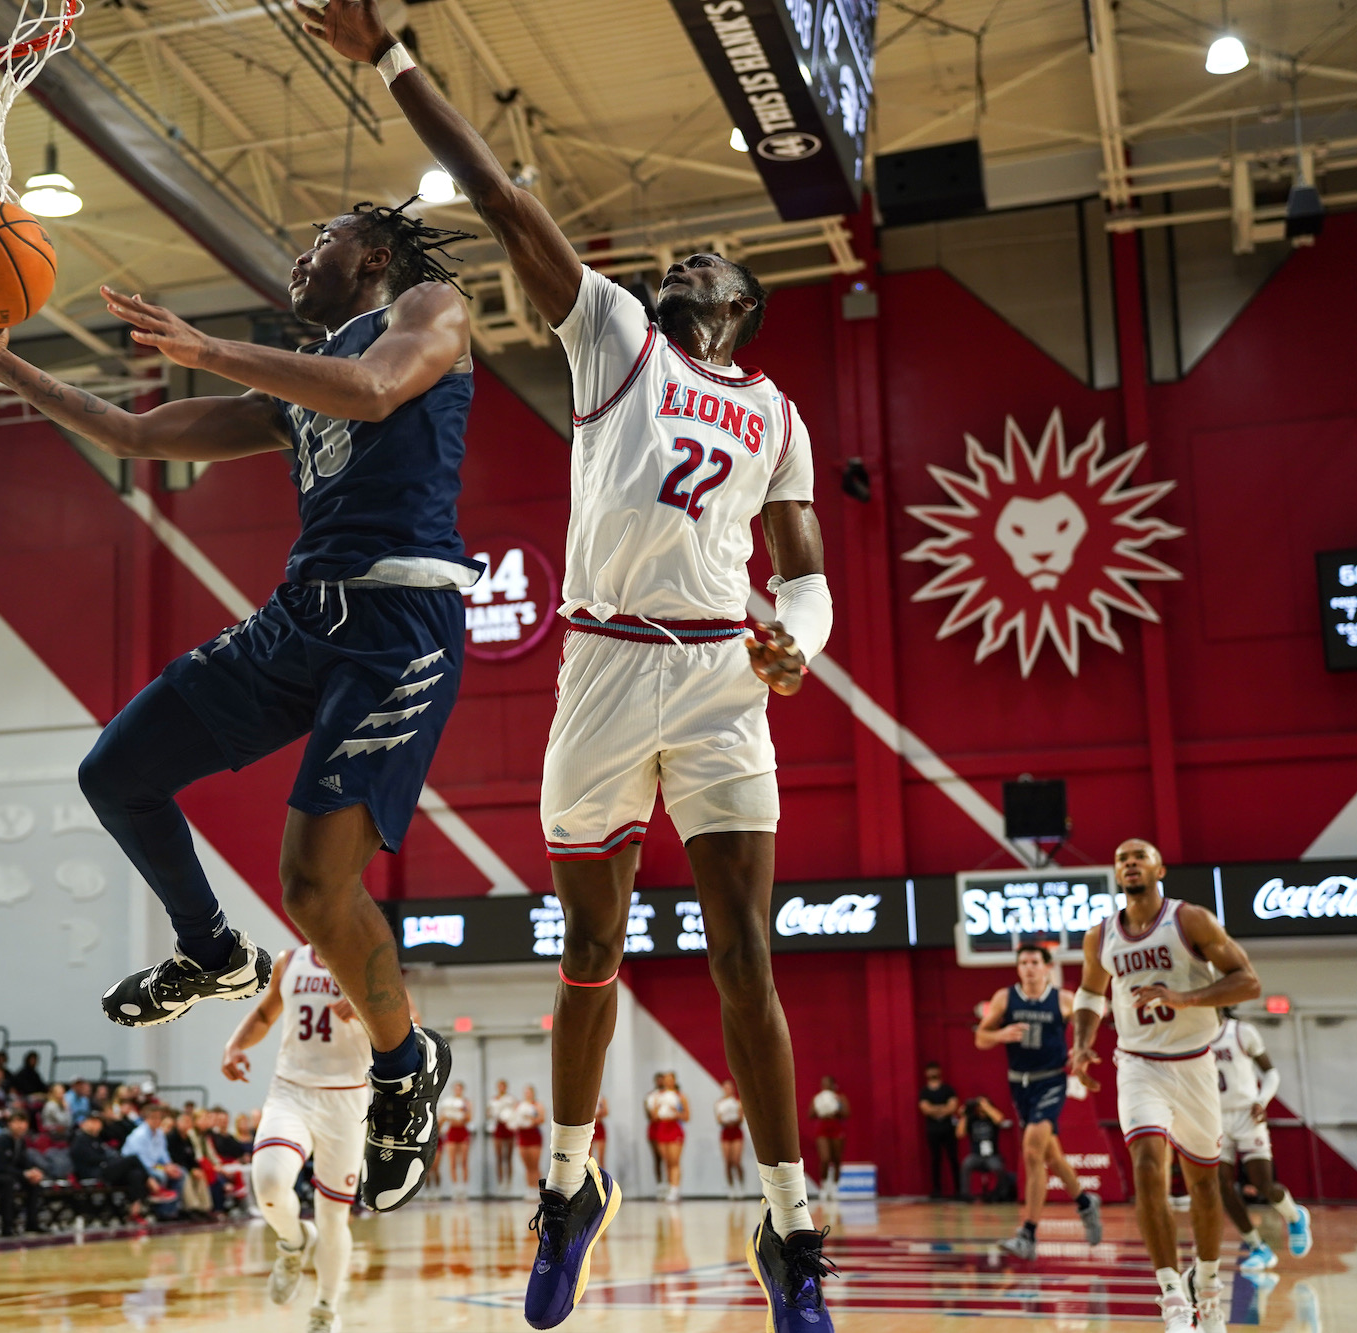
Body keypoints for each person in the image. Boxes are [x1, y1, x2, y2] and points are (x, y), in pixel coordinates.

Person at [304, 6, 836, 1325]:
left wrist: (800, 640)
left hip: (719, 675)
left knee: (743, 960)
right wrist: (391, 58)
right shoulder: (614, 334)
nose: (691, 255)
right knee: (590, 948)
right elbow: (496, 192)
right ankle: (573, 1187)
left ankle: (790, 1227)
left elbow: (810, 570)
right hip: (602, 669)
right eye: (685, 249)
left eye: (714, 255)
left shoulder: (777, 412)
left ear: (743, 303)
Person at [0, 168, 483, 1223]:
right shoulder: (300, 378)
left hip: (393, 623)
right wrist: (4, 365)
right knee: (117, 772)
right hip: (297, 619)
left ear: (371, 255)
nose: (298, 255)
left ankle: (404, 1063)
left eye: (319, 237)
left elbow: (374, 393)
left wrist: (210, 346)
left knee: (316, 892)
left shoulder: (426, 311)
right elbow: (135, 434)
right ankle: (210, 950)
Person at [1071, 839, 1259, 1333]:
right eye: (1120, 858)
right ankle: (1172, 1294)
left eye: (1139, 855)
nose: (1129, 863)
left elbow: (1248, 981)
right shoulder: (1101, 935)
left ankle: (1210, 1288)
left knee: (1203, 1183)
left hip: (1194, 1064)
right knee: (1148, 1166)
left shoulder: (1190, 920)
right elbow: (1091, 992)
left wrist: (1186, 997)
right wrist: (1083, 1041)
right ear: (1115, 873)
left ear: (1160, 868)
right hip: (1137, 1064)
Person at [223, 944, 374, 1333]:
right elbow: (263, 1013)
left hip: (346, 1099)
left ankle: (325, 1309)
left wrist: (366, 1010)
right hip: (290, 1091)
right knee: (269, 1183)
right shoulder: (289, 961)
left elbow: (409, 1022)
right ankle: (292, 1242)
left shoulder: (370, 958)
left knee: (333, 1215)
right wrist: (235, 1044)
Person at [976, 944, 1102, 1257]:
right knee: (1052, 1157)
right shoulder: (1005, 998)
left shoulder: (1063, 999)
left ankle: (1028, 1235)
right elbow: (981, 1038)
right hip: (1020, 1084)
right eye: (1023, 962)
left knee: (1032, 1151)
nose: (1028, 967)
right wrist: (1001, 1035)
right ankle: (1086, 1203)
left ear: (1047, 967)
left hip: (1051, 1081)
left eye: (1034, 962)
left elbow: (1091, 1017)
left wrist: (1082, 1048)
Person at [1211, 1007, 1311, 1268]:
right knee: (1221, 1186)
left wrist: (1262, 1100)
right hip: (1215, 1117)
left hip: (1247, 1113)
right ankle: (1258, 1247)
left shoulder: (1241, 1032)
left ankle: (1294, 1216)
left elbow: (1271, 1073)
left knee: (1263, 1183)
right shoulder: (1193, 1037)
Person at [0, 1107, 45, 1236]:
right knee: (8, 1182)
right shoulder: (1, 1140)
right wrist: (23, 1174)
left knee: (33, 1183)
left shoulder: (20, 1141)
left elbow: (23, 1163)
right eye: (16, 1122)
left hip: (10, 1174)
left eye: (23, 1122)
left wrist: (32, 1171)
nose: (20, 1126)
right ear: (9, 1123)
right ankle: (7, 1226)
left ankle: (32, 1224)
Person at [958, 1096, 1016, 1202]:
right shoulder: (972, 1119)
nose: (980, 1108)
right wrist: (964, 1115)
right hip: (976, 1155)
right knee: (966, 1164)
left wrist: (986, 1106)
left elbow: (999, 1119)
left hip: (992, 1155)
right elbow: (959, 1134)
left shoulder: (991, 1119)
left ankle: (1003, 1193)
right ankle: (965, 1195)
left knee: (998, 1167)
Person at [918, 1064, 962, 1199]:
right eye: (929, 1070)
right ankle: (936, 1189)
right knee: (935, 1159)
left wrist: (935, 1109)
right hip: (933, 1130)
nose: (932, 1072)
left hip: (948, 1129)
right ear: (926, 1073)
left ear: (939, 1071)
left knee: (953, 1158)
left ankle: (959, 1189)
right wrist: (943, 1109)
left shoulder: (948, 1089)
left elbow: (953, 1107)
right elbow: (925, 1109)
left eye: (934, 1069)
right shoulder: (924, 1092)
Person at [645, 1072, 688, 1203]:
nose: (668, 1082)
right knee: (666, 1161)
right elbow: (653, 1116)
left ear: (674, 1081)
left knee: (674, 1161)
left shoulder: (680, 1096)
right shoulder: (657, 1097)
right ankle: (670, 1186)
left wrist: (676, 1113)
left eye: (670, 1079)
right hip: (662, 1128)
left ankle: (675, 1189)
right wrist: (657, 1108)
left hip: (674, 1127)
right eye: (666, 1080)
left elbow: (686, 1116)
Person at [808, 1077, 849, 1203]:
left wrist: (836, 1108)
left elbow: (847, 1113)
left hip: (836, 1129)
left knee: (836, 1159)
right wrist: (820, 1108)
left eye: (827, 1084)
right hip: (822, 1130)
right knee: (825, 1158)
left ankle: (835, 1188)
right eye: (823, 1084)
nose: (824, 1086)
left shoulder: (840, 1097)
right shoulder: (818, 1098)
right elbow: (810, 1114)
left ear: (833, 1085)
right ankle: (824, 1186)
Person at [437, 1081, 473, 1200]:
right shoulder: (448, 1102)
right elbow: (442, 1118)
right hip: (451, 1132)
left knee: (463, 1161)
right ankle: (455, 1187)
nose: (457, 1091)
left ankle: (464, 1188)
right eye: (456, 1089)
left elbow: (468, 1118)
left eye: (459, 1089)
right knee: (452, 1161)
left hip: (462, 1132)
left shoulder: (466, 1102)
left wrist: (459, 1115)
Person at [717, 1081, 745, 1197]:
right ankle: (731, 1186)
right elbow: (718, 1119)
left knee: (736, 1161)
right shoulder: (719, 1103)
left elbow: (741, 1118)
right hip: (726, 1132)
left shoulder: (737, 1102)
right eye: (725, 1088)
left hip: (736, 1131)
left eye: (729, 1088)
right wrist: (725, 1121)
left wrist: (735, 1120)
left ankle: (741, 1185)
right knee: (728, 1162)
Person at [487, 1080, 516, 1190]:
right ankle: (500, 1181)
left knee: (508, 1157)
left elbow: (515, 1111)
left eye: (503, 1086)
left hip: (508, 1127)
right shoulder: (493, 1100)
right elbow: (489, 1113)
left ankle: (509, 1181)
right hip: (498, 1128)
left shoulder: (510, 1099)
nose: (501, 1088)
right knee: (499, 1157)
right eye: (500, 1086)